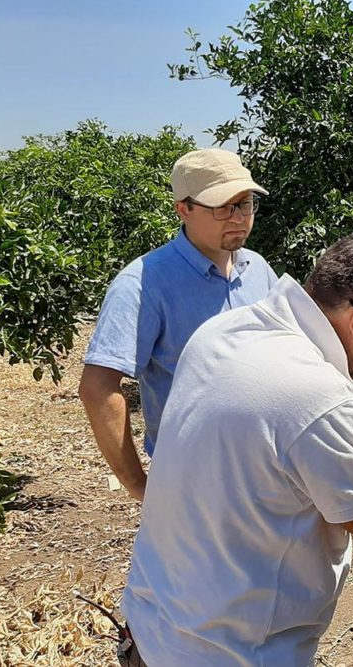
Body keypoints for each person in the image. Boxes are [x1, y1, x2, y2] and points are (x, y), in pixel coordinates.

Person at [120, 229, 353, 666]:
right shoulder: (315, 394)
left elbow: (302, 424)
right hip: (231, 653)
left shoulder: (231, 331)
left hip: (155, 629)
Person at [79, 148, 278, 501]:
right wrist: (138, 484)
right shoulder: (143, 283)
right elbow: (98, 386)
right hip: (195, 478)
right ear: (182, 208)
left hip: (272, 466)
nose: (238, 217)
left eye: (245, 203)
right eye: (222, 206)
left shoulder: (258, 269)